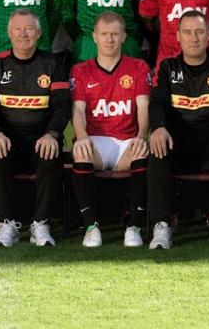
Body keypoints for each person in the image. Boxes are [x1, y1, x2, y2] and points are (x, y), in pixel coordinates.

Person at [145, 11, 209, 250]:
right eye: (187, 32)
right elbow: (157, 102)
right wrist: (158, 128)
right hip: (179, 145)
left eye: (199, 32)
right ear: (178, 36)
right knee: (157, 148)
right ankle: (161, 225)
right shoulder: (167, 67)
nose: (194, 38)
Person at [0, 10, 70, 247]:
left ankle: (41, 224)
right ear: (9, 33)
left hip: (41, 139)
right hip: (7, 139)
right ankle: (8, 223)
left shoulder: (53, 64)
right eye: (17, 29)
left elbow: (62, 106)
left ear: (39, 33)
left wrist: (52, 134)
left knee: (50, 153)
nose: (23, 34)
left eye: (29, 29)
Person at [70, 13, 152, 248]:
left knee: (141, 152)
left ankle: (134, 226)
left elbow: (144, 107)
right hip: (96, 140)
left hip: (127, 141)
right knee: (81, 152)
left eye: (115, 34)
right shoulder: (80, 70)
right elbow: (77, 110)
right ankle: (91, 227)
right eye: (104, 34)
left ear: (124, 36)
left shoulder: (138, 67)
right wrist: (82, 136)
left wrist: (141, 135)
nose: (109, 39)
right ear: (94, 37)